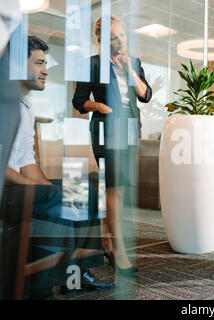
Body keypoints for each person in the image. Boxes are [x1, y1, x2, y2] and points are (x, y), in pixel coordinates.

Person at [4, 35, 113, 298]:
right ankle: (40, 288)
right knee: (56, 196)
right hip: (3, 190)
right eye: (39, 63)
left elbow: (26, 161)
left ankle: (75, 275)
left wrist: (53, 189)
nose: (45, 70)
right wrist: (48, 192)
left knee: (83, 188)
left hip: (15, 185)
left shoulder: (26, 105)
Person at [72, 15, 152, 278]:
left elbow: (145, 95)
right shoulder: (92, 64)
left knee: (119, 189)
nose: (120, 41)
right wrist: (98, 106)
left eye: (122, 35)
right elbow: (78, 100)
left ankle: (107, 242)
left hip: (130, 130)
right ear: (102, 41)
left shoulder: (134, 62)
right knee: (115, 189)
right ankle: (119, 250)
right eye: (113, 38)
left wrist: (129, 68)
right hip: (106, 130)